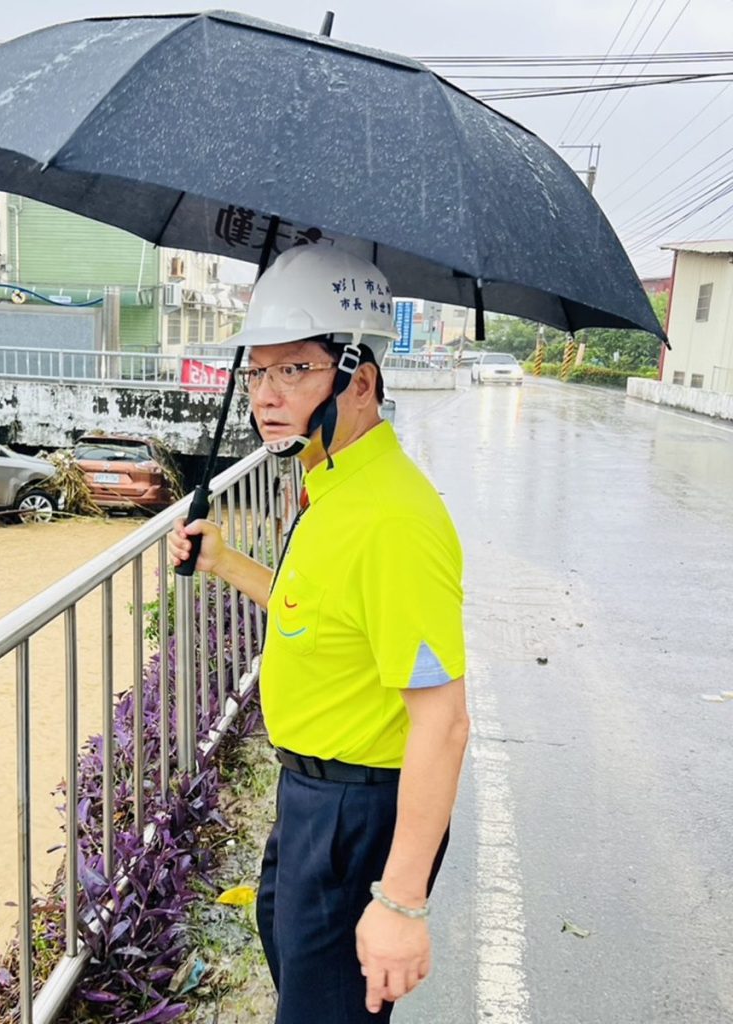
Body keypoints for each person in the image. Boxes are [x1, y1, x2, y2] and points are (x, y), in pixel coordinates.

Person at [168, 245, 470, 1023]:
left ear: (358, 379)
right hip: (309, 795)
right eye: (258, 372)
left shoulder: (393, 518)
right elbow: (319, 617)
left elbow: (444, 720)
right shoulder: (332, 484)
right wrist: (228, 562)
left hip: (356, 812)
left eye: (294, 371)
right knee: (292, 965)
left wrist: (401, 904)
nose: (267, 395)